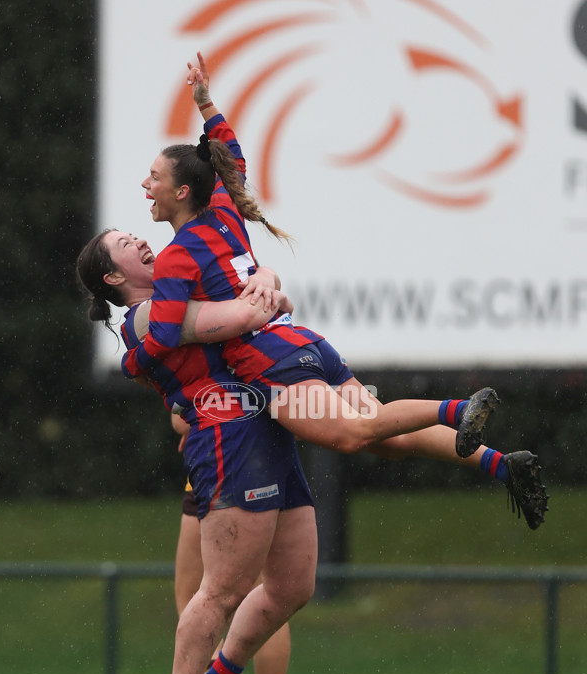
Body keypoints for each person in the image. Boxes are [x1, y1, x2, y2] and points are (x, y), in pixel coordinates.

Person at [121, 52, 547, 530]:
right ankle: (501, 464)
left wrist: (129, 363)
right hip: (304, 344)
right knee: (390, 434)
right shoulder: (223, 210)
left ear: (182, 193)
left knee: (355, 434)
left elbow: (161, 337)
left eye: (154, 177)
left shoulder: (177, 256)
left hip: (270, 363)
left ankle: (457, 407)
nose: (145, 183)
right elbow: (231, 153)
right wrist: (205, 104)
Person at [78, 230, 315, 674]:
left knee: (293, 585)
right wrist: (263, 282)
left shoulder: (180, 294)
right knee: (220, 590)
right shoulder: (148, 315)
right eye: (124, 243)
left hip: (265, 428)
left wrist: (266, 280)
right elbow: (252, 315)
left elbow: (269, 304)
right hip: (231, 441)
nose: (140, 238)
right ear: (115, 278)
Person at [173, 414, 288, 674]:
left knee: (197, 595)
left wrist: (190, 423)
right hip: (269, 467)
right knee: (272, 597)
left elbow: (181, 419)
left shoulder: (213, 361)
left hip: (216, 467)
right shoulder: (282, 364)